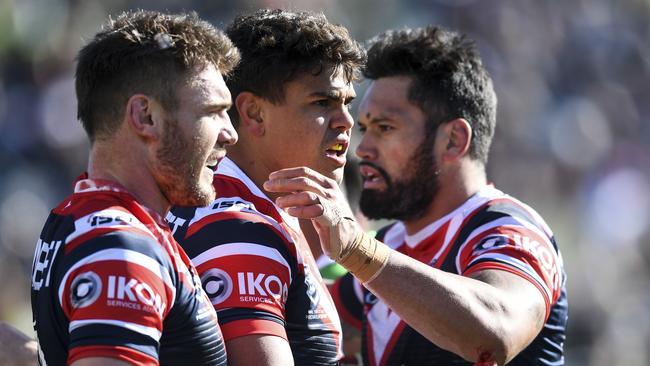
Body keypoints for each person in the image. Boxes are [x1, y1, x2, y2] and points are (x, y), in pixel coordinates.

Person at [264, 26, 568, 365]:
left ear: (453, 140)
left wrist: (355, 248)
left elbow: (496, 332)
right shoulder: (390, 244)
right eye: (365, 129)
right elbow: (313, 333)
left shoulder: (508, 229)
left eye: (385, 128)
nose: (362, 149)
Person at [30, 10, 239, 365]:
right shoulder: (122, 247)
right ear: (145, 117)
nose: (230, 134)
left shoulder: (79, 218)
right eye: (213, 111)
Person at [168, 9, 365, 365]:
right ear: (254, 113)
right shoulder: (238, 225)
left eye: (347, 103)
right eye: (322, 102)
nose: (346, 121)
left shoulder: (247, 208)